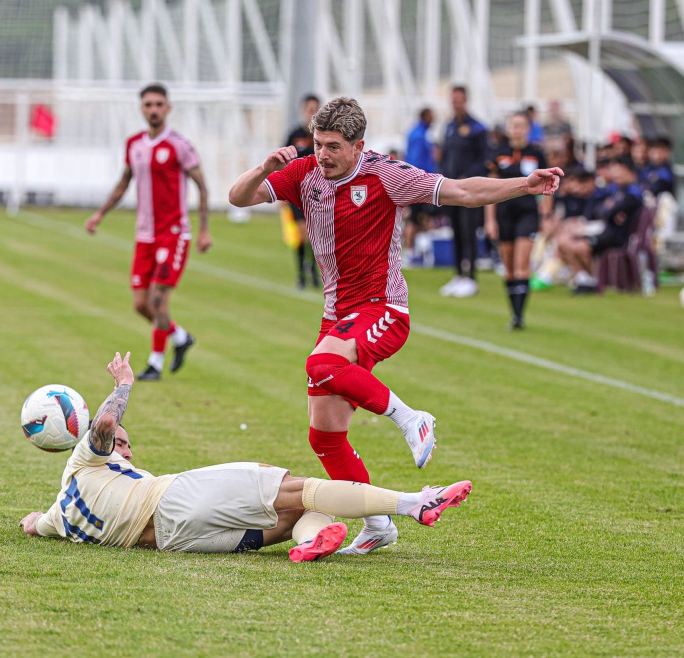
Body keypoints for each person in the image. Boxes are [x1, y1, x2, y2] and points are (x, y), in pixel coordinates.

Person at [228, 96, 561, 554]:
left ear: (358, 145)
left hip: (383, 309)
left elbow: (463, 191)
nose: (323, 154)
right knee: (323, 433)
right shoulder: (304, 172)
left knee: (319, 363)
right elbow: (238, 197)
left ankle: (411, 419)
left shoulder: (385, 174)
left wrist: (525, 184)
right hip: (337, 316)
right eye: (318, 143)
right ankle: (380, 523)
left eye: (333, 146)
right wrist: (264, 167)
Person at [18, 351, 472, 563]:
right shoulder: (85, 461)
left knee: (296, 513)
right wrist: (123, 386)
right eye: (122, 446)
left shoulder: (60, 515)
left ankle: (308, 543)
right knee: (294, 486)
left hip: (174, 543)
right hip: (171, 500)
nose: (126, 448)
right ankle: (413, 503)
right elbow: (101, 427)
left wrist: (37, 517)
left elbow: (31, 524)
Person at [85, 83, 212, 381]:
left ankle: (155, 363)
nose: (153, 109)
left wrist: (204, 230)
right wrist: (100, 214)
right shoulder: (134, 145)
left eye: (158, 104)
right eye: (148, 105)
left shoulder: (179, 145)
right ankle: (180, 337)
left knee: (158, 299)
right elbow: (123, 182)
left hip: (174, 233)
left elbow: (202, 187)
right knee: (140, 304)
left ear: (168, 108)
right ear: (141, 109)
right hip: (145, 235)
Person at [484, 111, 551, 329]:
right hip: (504, 214)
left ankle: (520, 316)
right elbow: (488, 189)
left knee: (523, 264)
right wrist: (490, 220)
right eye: (514, 125)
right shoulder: (498, 153)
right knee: (509, 267)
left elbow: (549, 187)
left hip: (528, 212)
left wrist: (546, 216)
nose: (517, 129)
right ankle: (514, 313)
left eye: (521, 125)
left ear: (528, 129)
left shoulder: (536, 153)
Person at [557, 156, 643, 294]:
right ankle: (583, 278)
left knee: (579, 247)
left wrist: (610, 210)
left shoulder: (633, 193)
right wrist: (609, 210)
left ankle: (592, 279)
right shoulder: (617, 190)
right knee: (563, 242)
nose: (615, 175)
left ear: (629, 172)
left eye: (619, 171)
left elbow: (608, 212)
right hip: (606, 230)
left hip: (618, 236)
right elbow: (602, 211)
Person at [438, 86, 491, 298]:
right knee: (456, 232)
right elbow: (445, 157)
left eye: (459, 100)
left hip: (468, 190)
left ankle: (471, 276)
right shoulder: (450, 127)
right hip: (450, 190)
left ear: (465, 100)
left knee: (469, 232)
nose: (456, 103)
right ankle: (459, 274)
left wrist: (467, 177)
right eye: (453, 100)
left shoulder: (477, 128)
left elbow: (484, 160)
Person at [284, 94, 322, 289]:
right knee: (301, 234)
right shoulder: (294, 134)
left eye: (315, 109)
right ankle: (301, 274)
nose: (312, 113)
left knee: (316, 236)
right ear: (303, 110)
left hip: (319, 192)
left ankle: (316, 273)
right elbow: (282, 162)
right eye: (309, 109)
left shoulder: (323, 135)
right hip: (297, 192)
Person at [403, 107, 438, 265]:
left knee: (420, 219)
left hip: (421, 180)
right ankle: (410, 252)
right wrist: (420, 181)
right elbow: (416, 160)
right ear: (425, 116)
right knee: (415, 219)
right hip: (420, 182)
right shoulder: (419, 135)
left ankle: (416, 250)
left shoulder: (418, 132)